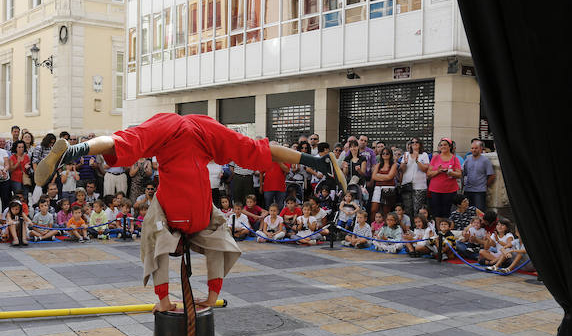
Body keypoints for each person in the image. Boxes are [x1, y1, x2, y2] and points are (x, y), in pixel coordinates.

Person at [34, 112, 345, 311]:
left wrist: (165, 300)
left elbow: (168, 249)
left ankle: (74, 150)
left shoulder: (187, 219)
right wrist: (209, 298)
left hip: (174, 144)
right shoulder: (199, 219)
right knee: (251, 151)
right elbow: (214, 245)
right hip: (200, 131)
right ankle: (316, 161)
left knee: (127, 143)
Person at [426, 138, 462, 221]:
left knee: (447, 212)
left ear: (450, 147)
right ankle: (439, 232)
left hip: (450, 190)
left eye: (445, 144)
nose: (443, 146)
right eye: (441, 145)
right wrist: (438, 171)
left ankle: (446, 231)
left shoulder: (454, 159)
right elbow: (428, 173)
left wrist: (450, 173)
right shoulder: (435, 158)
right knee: (437, 212)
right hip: (435, 189)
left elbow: (459, 174)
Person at [399, 138, 429, 220]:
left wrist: (417, 161)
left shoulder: (424, 155)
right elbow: (402, 169)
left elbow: (425, 169)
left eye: (416, 142)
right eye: (412, 142)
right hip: (407, 185)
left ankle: (418, 228)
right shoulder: (406, 154)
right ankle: (410, 229)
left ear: (420, 144)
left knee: (417, 209)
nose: (414, 144)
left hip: (419, 186)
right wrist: (404, 163)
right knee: (407, 209)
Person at [462, 140, 495, 210]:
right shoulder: (467, 160)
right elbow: (463, 173)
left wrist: (485, 185)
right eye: (472, 148)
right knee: (468, 211)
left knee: (479, 212)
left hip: (479, 191)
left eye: (476, 148)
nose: (473, 150)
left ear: (481, 149)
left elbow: (492, 176)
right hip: (468, 190)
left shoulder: (485, 160)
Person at [370, 147, 397, 219]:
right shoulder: (378, 165)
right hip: (378, 188)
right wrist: (385, 177)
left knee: (386, 210)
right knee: (373, 209)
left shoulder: (393, 165)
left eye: (387, 153)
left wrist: (379, 176)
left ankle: (385, 227)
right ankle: (373, 226)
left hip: (389, 188)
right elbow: (373, 177)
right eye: (383, 153)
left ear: (390, 155)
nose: (385, 155)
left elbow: (390, 176)